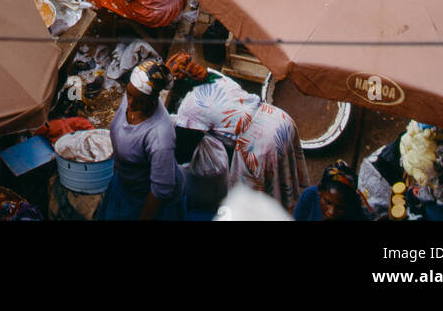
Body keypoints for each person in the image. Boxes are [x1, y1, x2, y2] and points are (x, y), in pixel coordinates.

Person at [166, 53, 308, 210]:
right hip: (278, 118)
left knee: (252, 204)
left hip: (260, 142)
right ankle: (293, 208)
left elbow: (182, 154)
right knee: (283, 177)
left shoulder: (191, 105)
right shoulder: (214, 75)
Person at [99, 56, 187, 222]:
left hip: (147, 199)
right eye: (128, 94)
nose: (130, 103)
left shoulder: (160, 136)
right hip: (126, 182)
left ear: (153, 100)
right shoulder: (133, 96)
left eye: (138, 100)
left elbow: (161, 191)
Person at [294, 161, 369, 221]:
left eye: (340, 208)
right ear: (320, 190)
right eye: (328, 202)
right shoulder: (309, 196)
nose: (331, 212)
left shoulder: (354, 213)